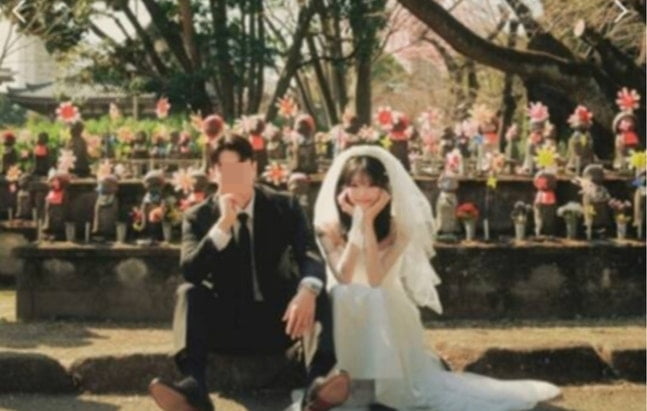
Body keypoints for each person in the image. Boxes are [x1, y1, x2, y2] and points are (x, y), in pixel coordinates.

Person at [313, 145, 562, 410]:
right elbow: (345, 276)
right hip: (345, 310)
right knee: (345, 293)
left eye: (370, 185)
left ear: (384, 189)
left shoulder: (399, 228)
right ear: (342, 189)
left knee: (373, 298)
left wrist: (367, 222)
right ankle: (347, 384)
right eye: (354, 185)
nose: (362, 193)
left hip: (385, 307)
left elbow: (375, 279)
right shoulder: (327, 228)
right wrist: (357, 224)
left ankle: (375, 389)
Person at [149, 135, 350, 411]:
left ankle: (317, 387)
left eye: (240, 168)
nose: (234, 177)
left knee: (316, 291)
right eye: (225, 170)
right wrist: (222, 227)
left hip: (283, 321)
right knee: (188, 293)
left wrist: (307, 290)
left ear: (254, 168)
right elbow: (191, 271)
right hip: (227, 323)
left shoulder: (284, 205)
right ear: (213, 173)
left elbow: (309, 252)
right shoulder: (199, 216)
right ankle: (194, 389)